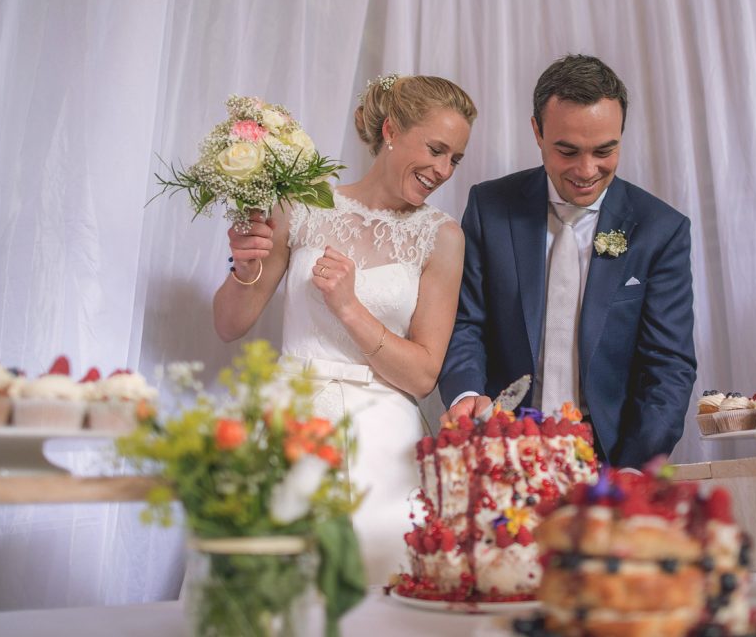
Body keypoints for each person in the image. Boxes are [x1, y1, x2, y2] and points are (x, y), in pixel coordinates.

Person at [213, 74, 476, 584]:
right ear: (392, 130)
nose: (444, 171)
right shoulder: (303, 205)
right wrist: (244, 269)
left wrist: (350, 307)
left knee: (380, 592)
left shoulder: (441, 237)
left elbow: (424, 376)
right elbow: (228, 324)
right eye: (436, 150)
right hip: (287, 421)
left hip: (381, 441)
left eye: (455, 159)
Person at [438, 54, 696, 468]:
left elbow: (667, 366)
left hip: (610, 456)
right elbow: (466, 323)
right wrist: (467, 396)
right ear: (537, 132)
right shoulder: (490, 207)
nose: (586, 170)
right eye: (568, 151)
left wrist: (634, 468)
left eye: (604, 150)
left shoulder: (660, 229)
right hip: (500, 446)